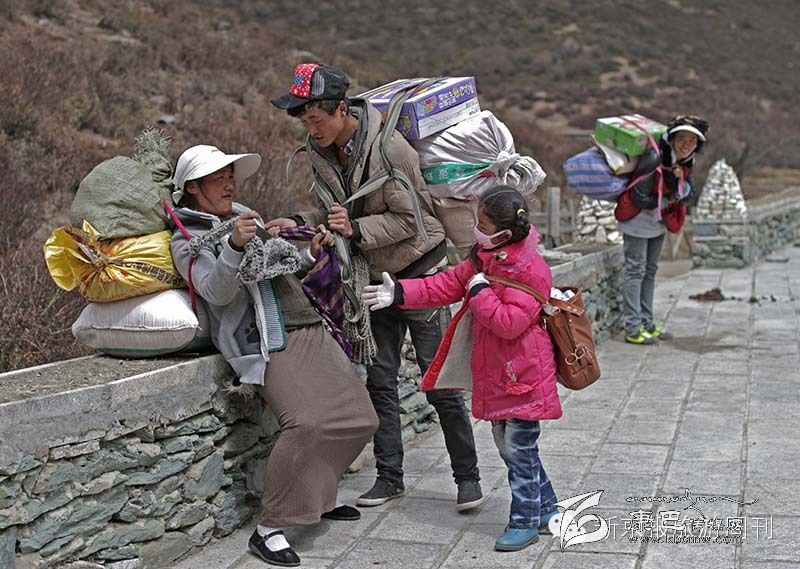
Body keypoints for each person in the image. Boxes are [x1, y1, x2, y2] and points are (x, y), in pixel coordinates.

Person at [268, 63, 483, 511]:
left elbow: (412, 220)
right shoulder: (323, 152)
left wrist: (356, 230)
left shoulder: (391, 149)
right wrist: (301, 221)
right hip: (372, 278)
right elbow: (337, 210)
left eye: (317, 120)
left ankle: (468, 479)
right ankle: (389, 478)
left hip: (421, 272)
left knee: (438, 381)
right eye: (306, 123)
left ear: (341, 109)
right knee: (380, 381)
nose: (312, 130)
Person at [169, 145, 378, 567]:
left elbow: (279, 268)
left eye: (230, 176)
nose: (229, 184)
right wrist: (232, 245)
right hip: (269, 339)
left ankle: (317, 499)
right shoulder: (186, 239)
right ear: (192, 187)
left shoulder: (245, 216)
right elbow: (215, 291)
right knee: (305, 423)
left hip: (309, 323)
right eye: (218, 178)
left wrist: (310, 253)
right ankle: (269, 528)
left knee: (361, 418)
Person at [362, 185, 563, 552]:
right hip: (502, 374)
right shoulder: (487, 257)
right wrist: (401, 293)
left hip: (523, 375)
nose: (476, 229)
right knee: (514, 449)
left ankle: (524, 522)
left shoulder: (530, 269)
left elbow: (509, 323)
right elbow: (447, 283)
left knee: (518, 450)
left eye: (483, 224)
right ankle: (547, 509)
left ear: (504, 233)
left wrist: (479, 291)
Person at [615, 115, 709, 344]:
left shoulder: (686, 162)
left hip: (657, 223)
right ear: (673, 139)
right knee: (635, 271)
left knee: (650, 271)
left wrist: (679, 182)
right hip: (637, 221)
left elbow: (689, 193)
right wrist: (668, 201)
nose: (687, 144)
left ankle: (647, 323)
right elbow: (638, 197)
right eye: (682, 138)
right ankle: (633, 328)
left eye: (693, 140)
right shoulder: (654, 158)